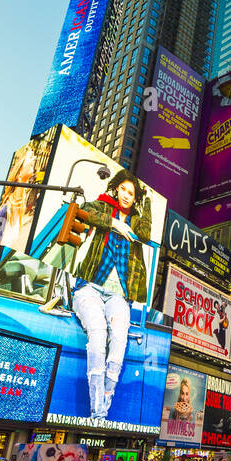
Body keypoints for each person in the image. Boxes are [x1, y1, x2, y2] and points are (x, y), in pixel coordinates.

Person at [34, 169, 153, 421]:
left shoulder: (137, 219)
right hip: (90, 288)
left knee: (119, 341)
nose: (127, 196)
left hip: (118, 295)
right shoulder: (103, 205)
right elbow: (87, 212)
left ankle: (103, 403)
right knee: (98, 336)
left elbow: (145, 234)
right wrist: (114, 223)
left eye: (132, 193)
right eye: (123, 189)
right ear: (116, 188)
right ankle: (98, 414)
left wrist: (148, 201)